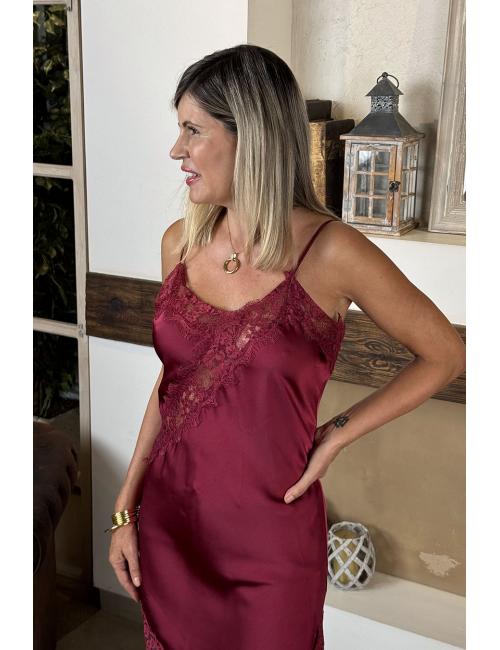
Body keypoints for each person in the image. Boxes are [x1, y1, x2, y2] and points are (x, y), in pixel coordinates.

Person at [107, 44, 465, 649]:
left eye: (193, 130)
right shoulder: (179, 244)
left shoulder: (332, 252)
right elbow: (174, 384)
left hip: (270, 546)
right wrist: (126, 508)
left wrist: (338, 434)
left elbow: (445, 354)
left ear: (250, 136)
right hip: (171, 528)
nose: (176, 151)